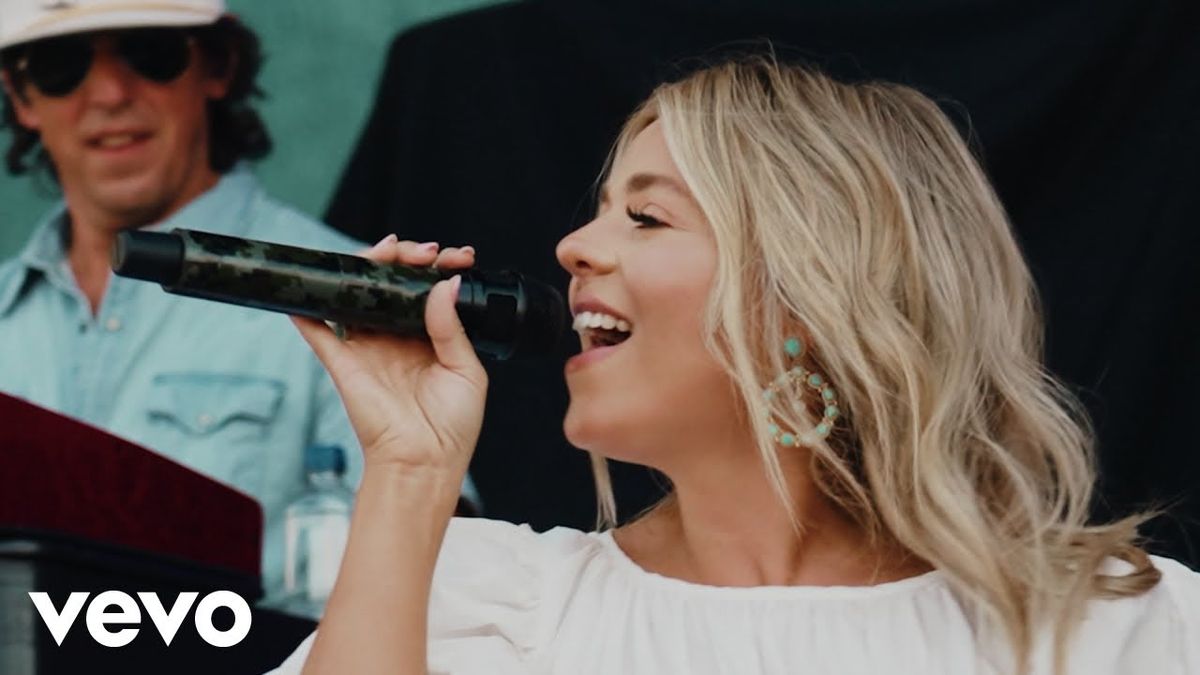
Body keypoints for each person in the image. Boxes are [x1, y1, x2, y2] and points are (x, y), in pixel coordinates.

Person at [270, 58, 1200, 674]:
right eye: (601, 209)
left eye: (647, 216)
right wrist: (408, 469)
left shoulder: (1124, 629)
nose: (573, 246)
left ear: (813, 293)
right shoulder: (489, 605)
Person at [0, 0, 476, 604]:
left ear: (219, 65)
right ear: (20, 95)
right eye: (61, 66)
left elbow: (438, 588)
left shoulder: (352, 297)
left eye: (149, 53)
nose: (111, 94)